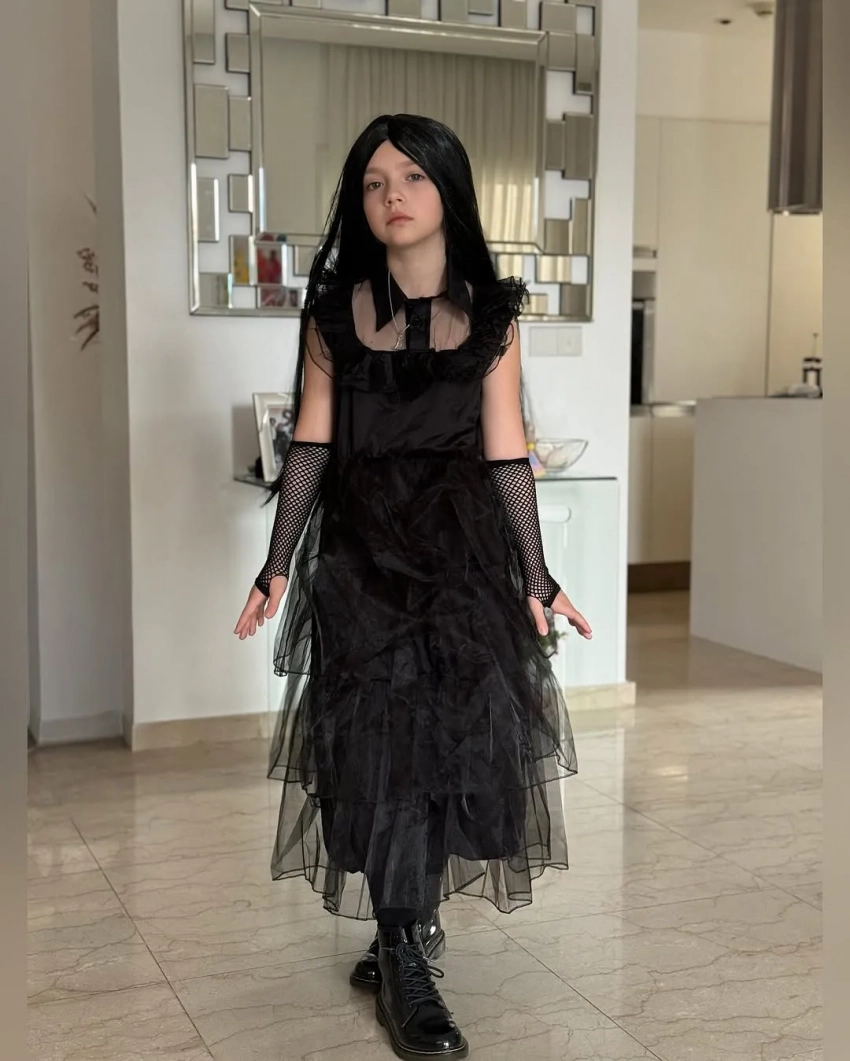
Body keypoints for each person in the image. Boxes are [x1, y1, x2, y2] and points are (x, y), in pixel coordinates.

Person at [234, 113, 591, 1061]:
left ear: (448, 189)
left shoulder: (496, 317)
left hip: (462, 560)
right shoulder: (331, 316)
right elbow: (312, 445)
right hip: (362, 561)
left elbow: (506, 452)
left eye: (412, 178)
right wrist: (277, 562)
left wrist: (538, 573)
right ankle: (403, 955)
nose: (392, 197)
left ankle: (405, 924)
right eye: (374, 183)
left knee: (448, 746)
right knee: (381, 750)